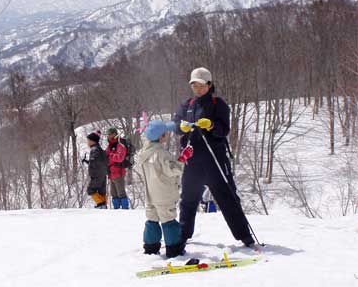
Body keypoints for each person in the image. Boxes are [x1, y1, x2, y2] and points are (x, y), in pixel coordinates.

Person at [173, 67, 255, 247]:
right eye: (194, 85)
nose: (197, 89)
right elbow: (175, 124)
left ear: (209, 85)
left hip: (215, 159)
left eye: (201, 85)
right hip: (193, 161)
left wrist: (211, 126)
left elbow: (224, 129)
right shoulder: (187, 105)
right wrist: (181, 127)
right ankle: (182, 236)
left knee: (227, 197)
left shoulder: (219, 104)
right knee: (188, 199)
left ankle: (244, 236)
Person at [138, 119, 192, 258]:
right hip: (164, 194)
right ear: (161, 136)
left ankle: (150, 248)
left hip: (150, 194)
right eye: (166, 133)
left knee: (152, 220)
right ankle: (174, 249)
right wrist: (183, 159)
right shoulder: (161, 154)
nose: (168, 134)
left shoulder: (144, 152)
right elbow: (172, 170)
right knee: (169, 221)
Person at [106, 127, 129, 209]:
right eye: (108, 134)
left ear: (114, 134)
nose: (108, 136)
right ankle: (116, 211)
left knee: (121, 193)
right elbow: (106, 156)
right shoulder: (110, 146)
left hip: (119, 173)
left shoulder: (120, 146)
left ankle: (125, 210)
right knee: (114, 194)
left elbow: (120, 158)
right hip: (111, 173)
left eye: (110, 134)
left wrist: (110, 155)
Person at [84, 131, 108, 209]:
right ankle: (103, 205)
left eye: (88, 140)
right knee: (102, 191)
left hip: (97, 174)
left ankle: (101, 204)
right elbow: (101, 162)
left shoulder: (94, 149)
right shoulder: (100, 149)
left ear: (92, 141)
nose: (87, 142)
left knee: (90, 190)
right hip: (103, 173)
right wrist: (88, 161)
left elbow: (94, 162)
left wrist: (90, 165)